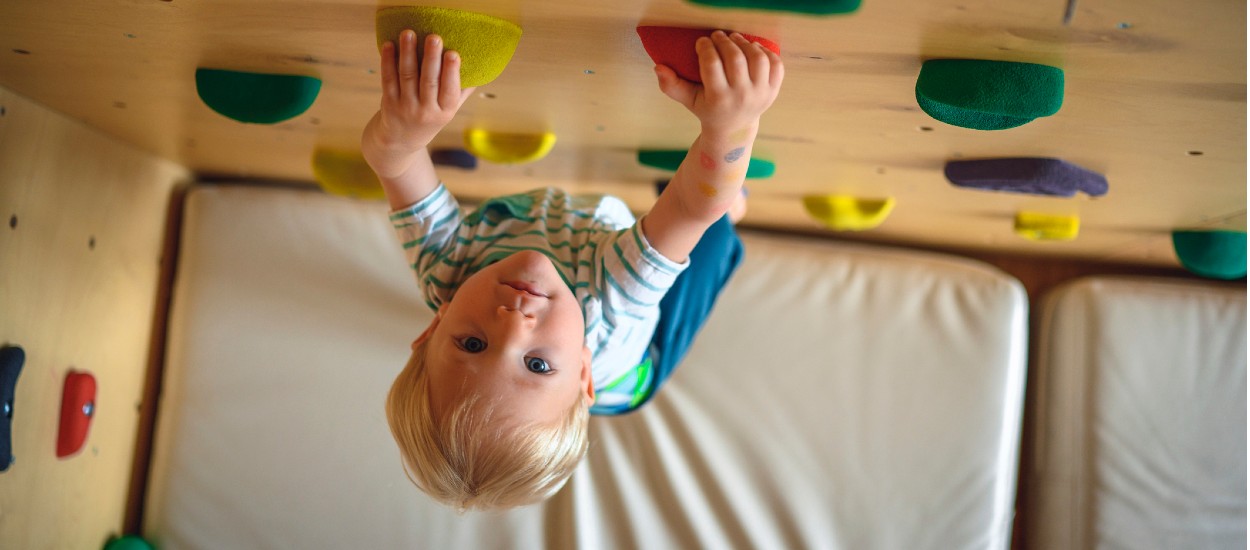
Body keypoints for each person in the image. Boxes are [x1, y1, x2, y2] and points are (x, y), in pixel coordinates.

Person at [366, 28, 783, 512]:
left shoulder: (447, 272)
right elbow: (693, 205)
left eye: (473, 344)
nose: (514, 321)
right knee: (712, 231)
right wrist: (732, 125)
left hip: (576, 357)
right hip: (631, 370)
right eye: (536, 365)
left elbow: (392, 166)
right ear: (583, 371)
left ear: (433, 326)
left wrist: (401, 134)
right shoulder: (614, 300)